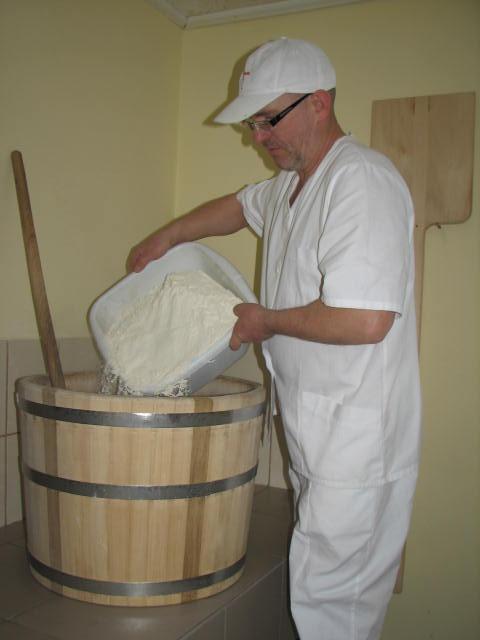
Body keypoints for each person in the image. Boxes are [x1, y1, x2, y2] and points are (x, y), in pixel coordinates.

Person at [127, 37, 421, 640]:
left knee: (332, 609)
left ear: (319, 103)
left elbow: (366, 321)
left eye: (268, 120)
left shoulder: (359, 180)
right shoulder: (291, 186)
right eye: (253, 124)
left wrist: (266, 321)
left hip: (358, 445)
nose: (259, 137)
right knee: (324, 596)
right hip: (321, 435)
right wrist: (168, 237)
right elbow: (237, 208)